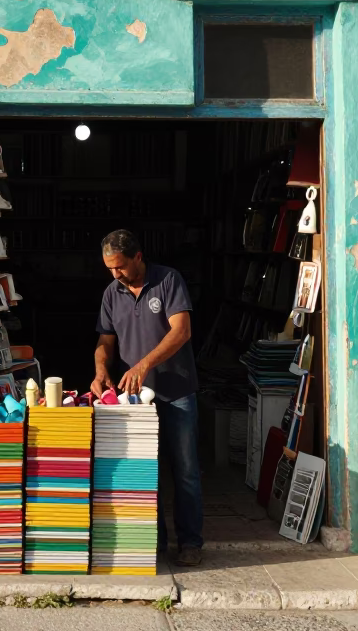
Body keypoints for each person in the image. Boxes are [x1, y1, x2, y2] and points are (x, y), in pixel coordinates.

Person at [91, 228, 203, 567]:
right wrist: (100, 370)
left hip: (177, 391)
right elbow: (105, 342)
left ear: (138, 257)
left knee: (185, 470)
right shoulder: (112, 293)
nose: (115, 274)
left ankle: (190, 542)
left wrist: (143, 364)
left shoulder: (168, 281)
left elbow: (181, 331)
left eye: (121, 266)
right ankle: (153, 544)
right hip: (136, 401)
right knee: (143, 470)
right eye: (109, 268)